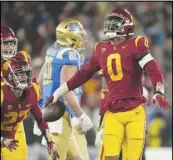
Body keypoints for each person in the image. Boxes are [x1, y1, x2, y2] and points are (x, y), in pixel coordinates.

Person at [51, 9, 170, 160]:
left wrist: (159, 90)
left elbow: (153, 69)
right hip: (112, 112)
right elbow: (83, 74)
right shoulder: (101, 48)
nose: (110, 27)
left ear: (126, 26)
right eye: (110, 23)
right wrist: (61, 90)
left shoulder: (136, 44)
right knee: (109, 157)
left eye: (115, 24)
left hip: (134, 112)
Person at [33, 19, 92, 160]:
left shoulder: (52, 49)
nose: (82, 39)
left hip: (54, 114)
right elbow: (65, 89)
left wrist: (38, 109)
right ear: (70, 37)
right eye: (79, 36)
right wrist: (82, 115)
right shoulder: (70, 55)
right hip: (59, 116)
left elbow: (39, 81)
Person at [1, 56, 59, 160]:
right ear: (8, 77)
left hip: (11, 139)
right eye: (19, 74)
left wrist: (49, 141)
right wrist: (2, 141)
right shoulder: (2, 93)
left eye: (25, 73)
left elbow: (40, 118)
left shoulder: (33, 91)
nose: (24, 77)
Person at [1, 25, 39, 160]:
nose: (9, 48)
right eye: (5, 44)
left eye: (11, 43)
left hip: (12, 124)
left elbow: (32, 88)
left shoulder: (21, 59)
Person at [95, 70, 149, 160]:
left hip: (131, 128)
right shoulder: (115, 88)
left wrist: (145, 132)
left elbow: (144, 113)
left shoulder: (141, 91)